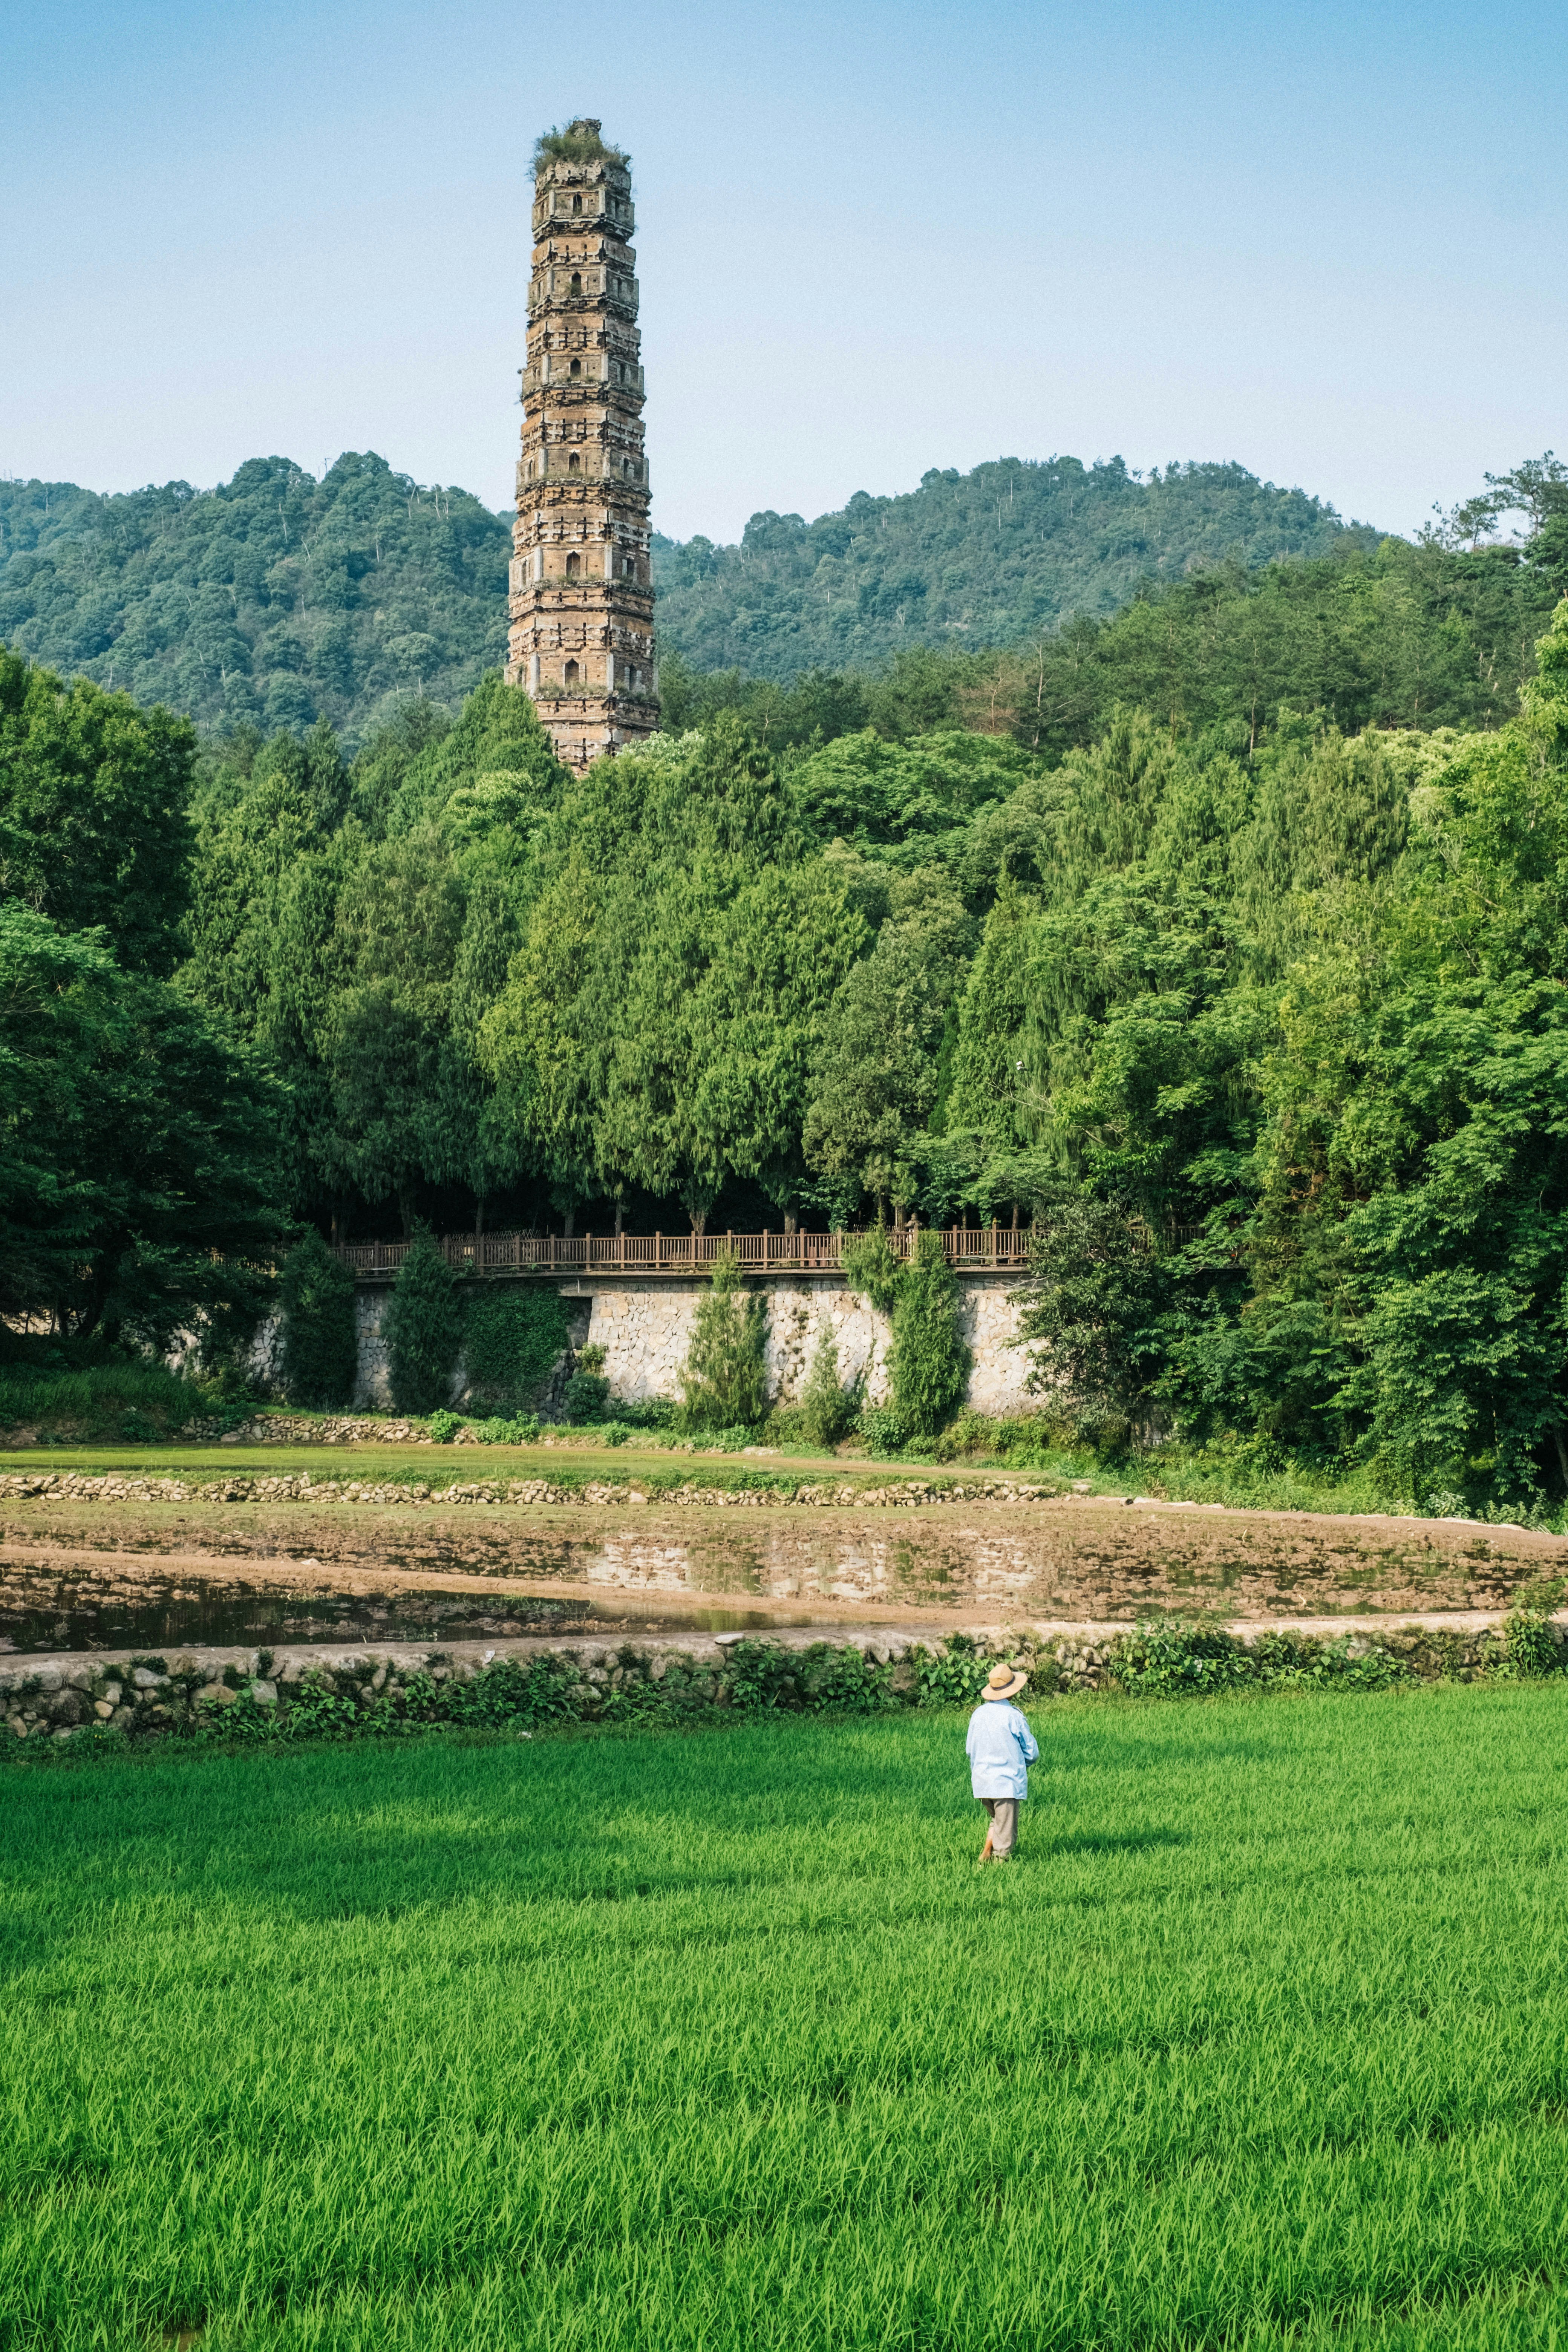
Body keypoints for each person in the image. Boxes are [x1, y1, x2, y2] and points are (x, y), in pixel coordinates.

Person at [965, 1663, 1038, 1862]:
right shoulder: (1014, 1716)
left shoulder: (978, 1714)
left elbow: (970, 1750)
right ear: (1013, 1691)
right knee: (1006, 1835)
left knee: (998, 1820)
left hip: (982, 1783)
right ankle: (999, 1867)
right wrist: (1019, 1764)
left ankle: (985, 1856)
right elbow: (1032, 1753)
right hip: (1006, 1783)